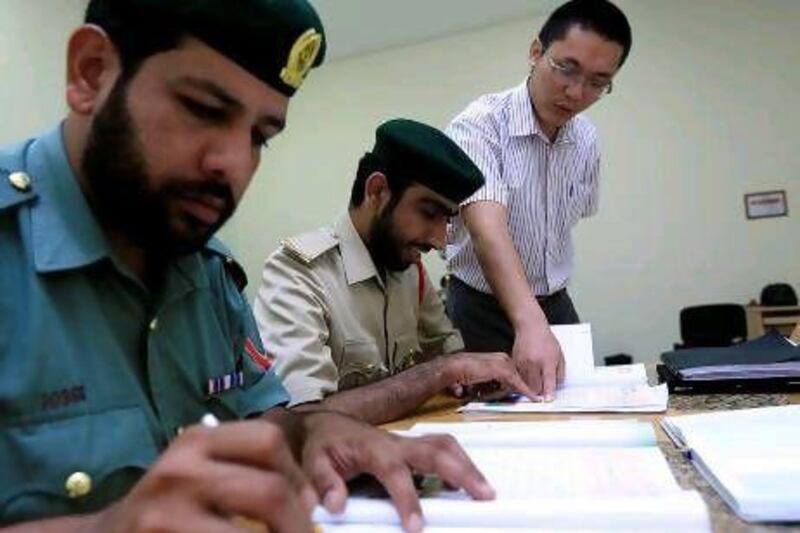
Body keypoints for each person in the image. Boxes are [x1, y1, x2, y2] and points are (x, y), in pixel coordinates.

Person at [0, 2, 494, 532]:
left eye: (260, 137)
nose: (234, 165)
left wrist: (313, 435)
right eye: (204, 109)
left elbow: (264, 418)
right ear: (91, 72)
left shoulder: (207, 264)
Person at [253, 119, 534, 425]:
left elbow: (452, 358)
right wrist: (442, 371)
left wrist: (480, 378)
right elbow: (300, 421)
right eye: (429, 212)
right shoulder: (298, 274)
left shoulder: (410, 270)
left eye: (447, 219)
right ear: (377, 191)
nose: (439, 240)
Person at [444, 0, 632, 401]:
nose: (576, 92)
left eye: (598, 82)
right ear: (535, 52)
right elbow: (486, 229)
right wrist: (529, 322)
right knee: (489, 430)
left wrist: (542, 319)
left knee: (580, 415)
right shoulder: (479, 125)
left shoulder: (586, 140)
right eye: (566, 68)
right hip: (479, 308)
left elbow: (570, 220)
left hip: (556, 307)